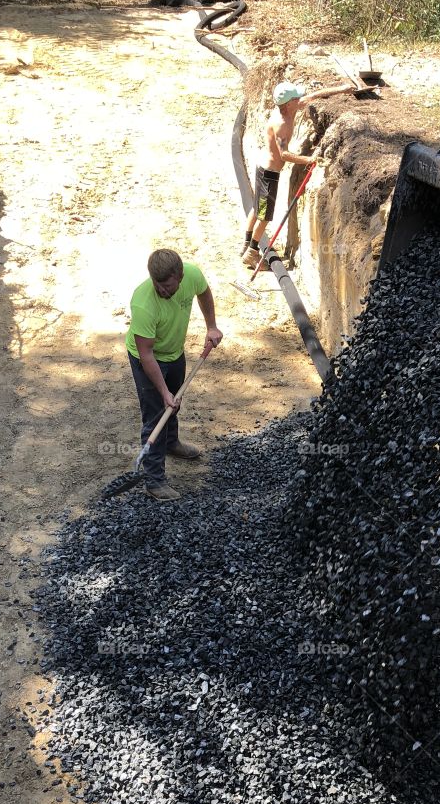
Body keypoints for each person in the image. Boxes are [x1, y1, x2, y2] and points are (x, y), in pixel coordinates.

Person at [126, 248, 223, 502]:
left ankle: (170, 442)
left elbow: (204, 292)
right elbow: (146, 355)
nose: (163, 291)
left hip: (173, 351)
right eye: (158, 285)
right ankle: (154, 480)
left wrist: (211, 326)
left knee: (173, 405)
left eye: (168, 286)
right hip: (146, 357)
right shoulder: (144, 304)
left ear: (179, 276)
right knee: (158, 411)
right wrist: (163, 391)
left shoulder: (191, 275)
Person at [242, 79, 355, 269]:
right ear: (288, 103)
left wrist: (342, 89)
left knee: (257, 207)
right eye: (296, 97)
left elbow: (314, 95)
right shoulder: (282, 124)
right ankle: (251, 253)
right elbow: (284, 155)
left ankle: (246, 243)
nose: (301, 98)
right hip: (269, 174)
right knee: (265, 215)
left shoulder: (289, 109)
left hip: (263, 168)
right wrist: (309, 160)